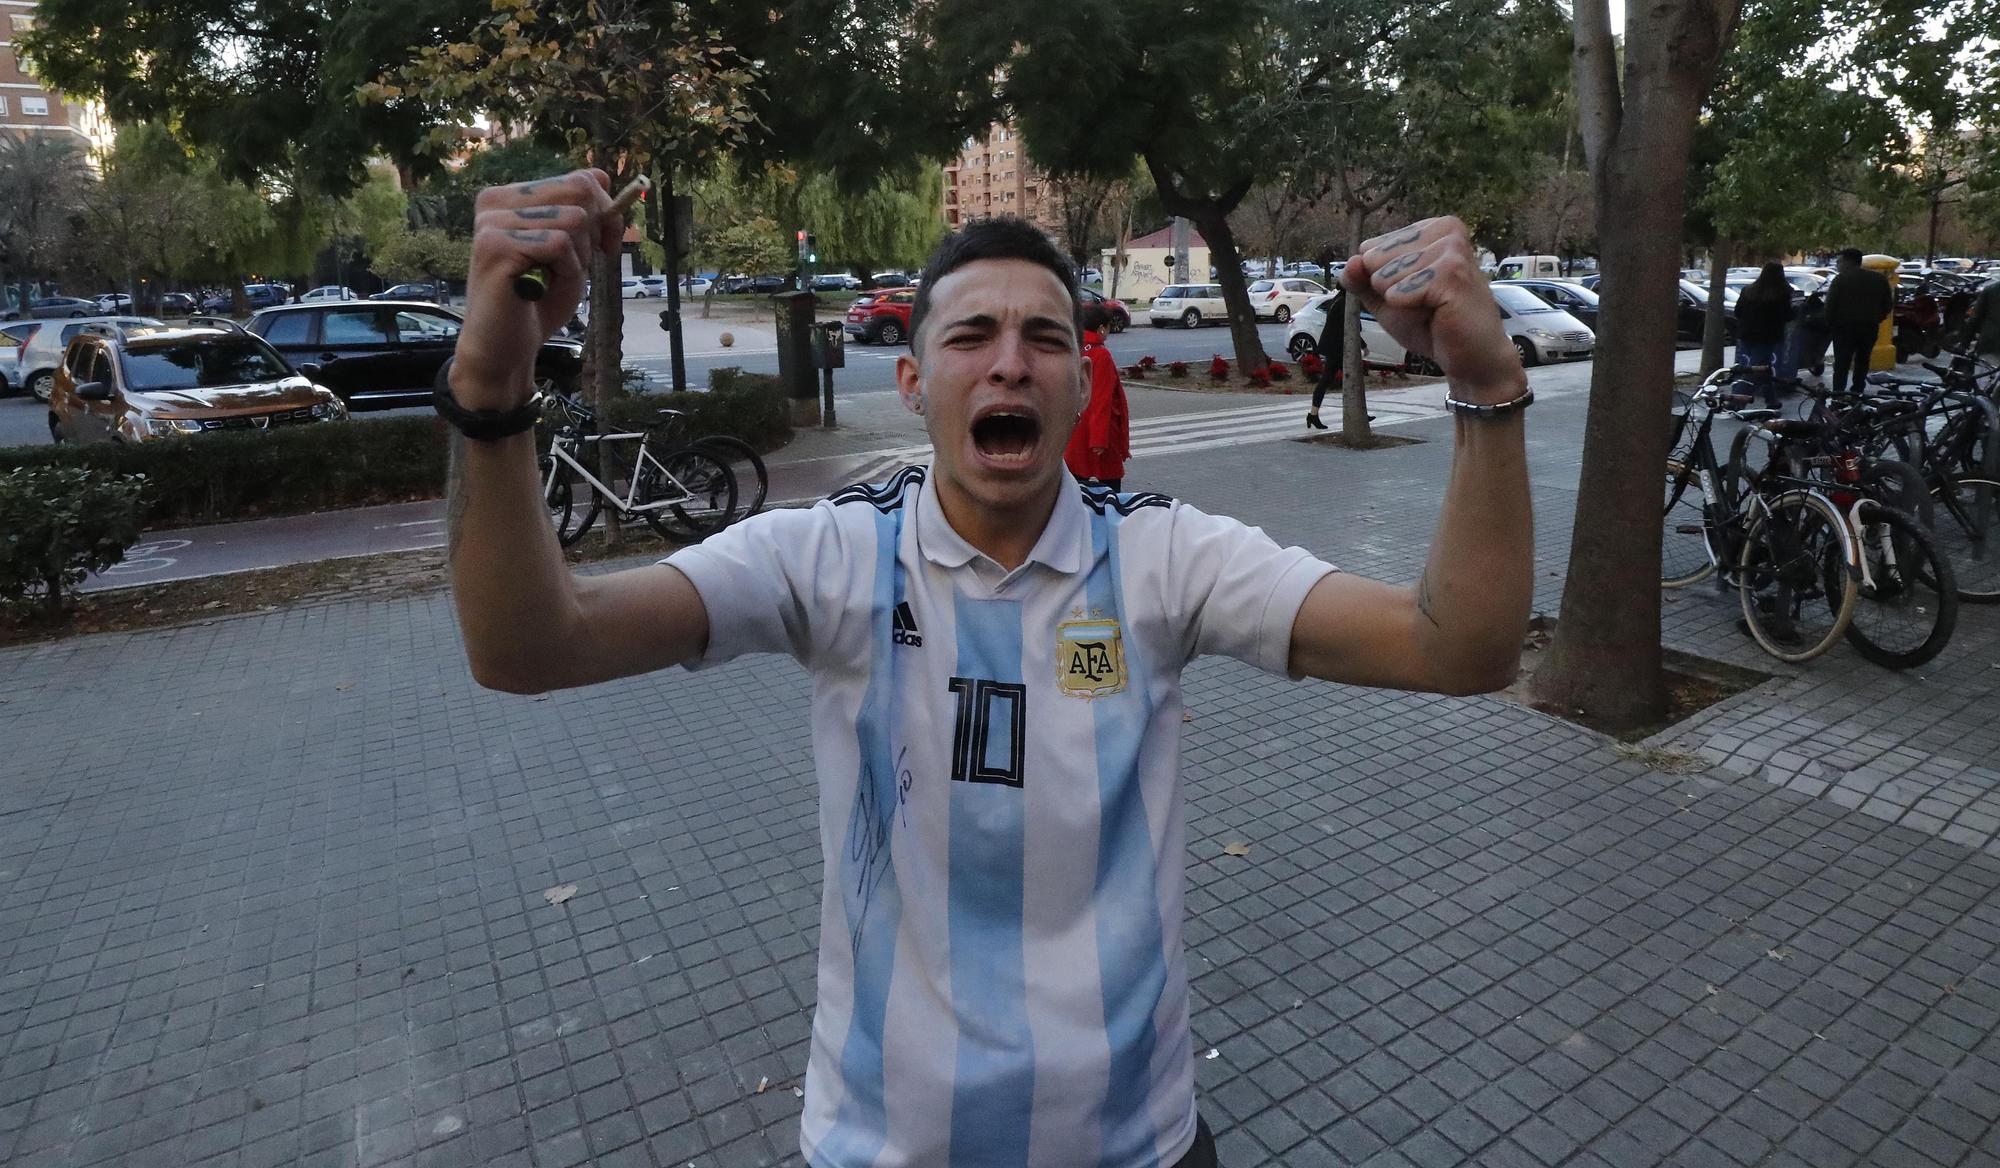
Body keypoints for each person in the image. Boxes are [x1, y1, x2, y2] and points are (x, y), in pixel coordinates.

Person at [442, 171, 1533, 1168]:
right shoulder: (827, 556)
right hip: (886, 1145)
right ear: (913, 380)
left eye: (1043, 338)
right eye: (970, 334)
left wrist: (1484, 385)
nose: (1008, 359)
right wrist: (488, 388)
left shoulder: (1164, 556)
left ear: (1075, 380)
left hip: (1138, 1144)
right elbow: (532, 646)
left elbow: (1456, 647)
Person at [1064, 304, 1131, 490]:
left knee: (1075, 483)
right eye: (1108, 327)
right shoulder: (1101, 355)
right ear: (1102, 328)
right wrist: (1099, 439)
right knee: (1110, 487)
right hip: (1098, 433)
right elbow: (1100, 400)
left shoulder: (1075, 350)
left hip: (1075, 429)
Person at [1822, 247, 1893, 394]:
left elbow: (1830, 306)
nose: (1838, 265)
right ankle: (1857, 390)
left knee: (1842, 363)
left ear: (1848, 262)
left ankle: (1839, 393)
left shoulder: (1840, 279)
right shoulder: (1879, 279)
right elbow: (1887, 305)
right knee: (1863, 360)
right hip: (1869, 327)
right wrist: (1877, 318)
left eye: (1839, 262)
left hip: (1844, 329)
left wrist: (1831, 325)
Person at [1732, 263, 1796, 407]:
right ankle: (1737, 399)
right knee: (1756, 369)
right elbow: (1787, 315)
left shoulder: (1748, 290)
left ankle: (1771, 400)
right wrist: (1797, 310)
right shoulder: (1781, 294)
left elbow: (1738, 312)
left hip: (1746, 334)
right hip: (1767, 337)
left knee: (1762, 368)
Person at [1305, 290, 1344, 430]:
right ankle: (1313, 415)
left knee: (1327, 380)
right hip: (1336, 348)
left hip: (1333, 346)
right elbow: (1346, 327)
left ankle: (1313, 414)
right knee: (1351, 379)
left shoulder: (1337, 300)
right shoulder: (1344, 302)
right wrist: (1362, 345)